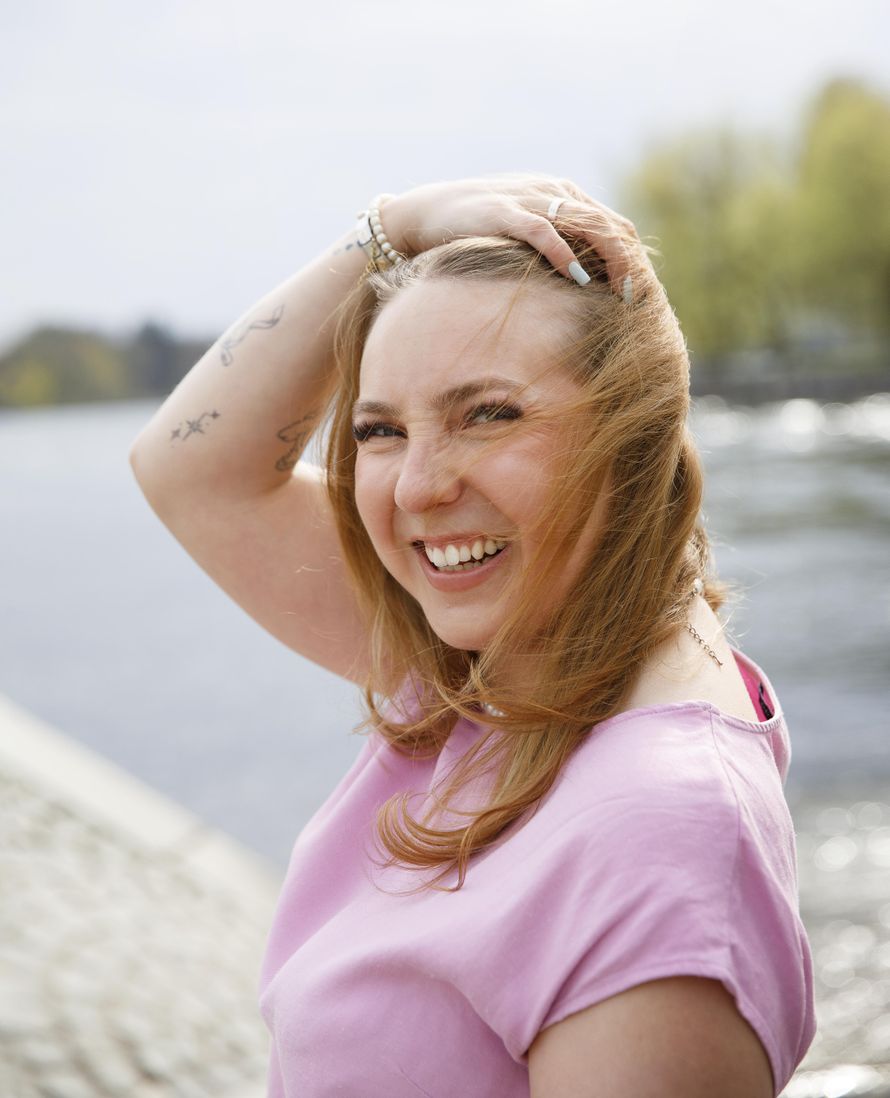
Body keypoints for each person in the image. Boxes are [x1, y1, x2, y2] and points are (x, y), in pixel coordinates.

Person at [128, 174, 816, 1097]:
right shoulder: (491, 658)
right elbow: (191, 468)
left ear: (633, 437)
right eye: (380, 430)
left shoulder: (657, 833)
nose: (418, 488)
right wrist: (391, 227)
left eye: (488, 414)